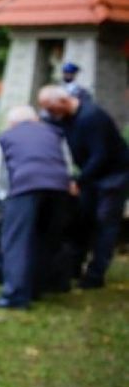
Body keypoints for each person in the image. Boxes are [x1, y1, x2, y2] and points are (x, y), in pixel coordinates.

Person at [38, 85, 129, 288]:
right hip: (91, 176)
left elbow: (100, 156)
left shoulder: (92, 117)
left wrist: (78, 181)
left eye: (51, 109)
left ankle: (95, 275)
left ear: (63, 102)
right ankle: (73, 268)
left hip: (113, 175)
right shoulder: (65, 117)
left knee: (105, 222)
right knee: (82, 219)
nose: (50, 114)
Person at [0, 105, 75, 308]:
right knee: (45, 238)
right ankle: (38, 287)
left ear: (11, 123)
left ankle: (16, 295)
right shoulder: (55, 133)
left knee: (16, 240)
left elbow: (2, 172)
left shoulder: (3, 137)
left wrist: (5, 196)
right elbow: (67, 162)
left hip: (25, 186)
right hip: (58, 188)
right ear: (35, 119)